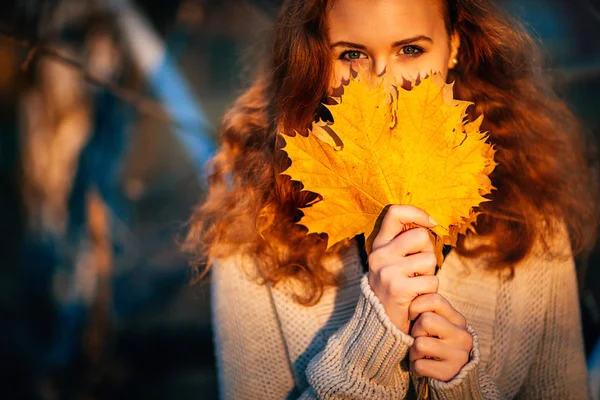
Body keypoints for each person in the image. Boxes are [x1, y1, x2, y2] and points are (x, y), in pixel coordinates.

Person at [183, 0, 599, 398]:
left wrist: (461, 387)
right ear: (314, 58)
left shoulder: (528, 213)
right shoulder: (252, 230)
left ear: (453, 45)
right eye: (351, 55)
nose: (383, 83)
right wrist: (372, 342)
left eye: (411, 49)